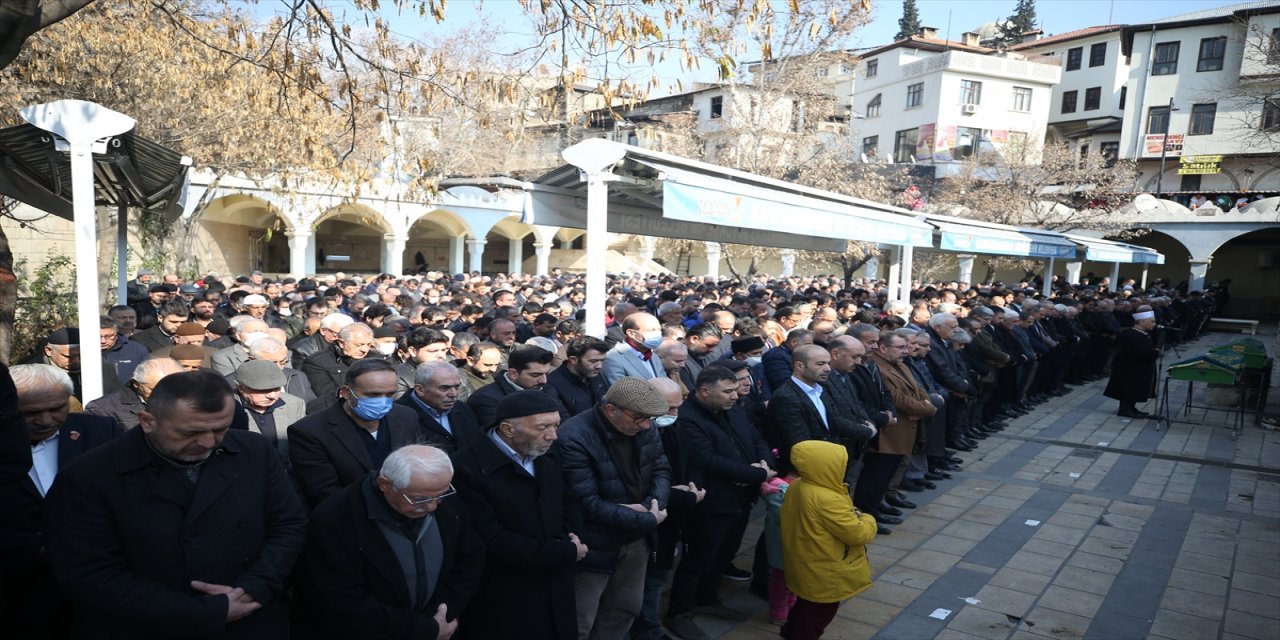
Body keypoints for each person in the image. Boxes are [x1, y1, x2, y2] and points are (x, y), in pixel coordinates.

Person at [43, 370, 307, 638]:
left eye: (220, 429)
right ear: (147, 421)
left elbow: (288, 524)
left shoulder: (254, 451)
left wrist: (255, 587)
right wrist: (203, 611)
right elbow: (90, 573)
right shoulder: (90, 476)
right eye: (190, 432)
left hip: (250, 619)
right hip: (147, 627)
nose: (207, 442)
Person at [298, 445, 484, 639]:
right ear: (385, 484)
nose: (432, 506)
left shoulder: (442, 499)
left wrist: (444, 613)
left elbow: (469, 559)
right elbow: (341, 602)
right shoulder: (334, 520)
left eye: (440, 495)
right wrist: (424, 630)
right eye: (419, 499)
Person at [452, 391, 586, 640]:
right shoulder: (466, 467)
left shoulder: (545, 450)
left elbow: (567, 499)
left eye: (556, 425)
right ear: (508, 429)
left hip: (555, 577)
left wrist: (570, 535)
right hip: (505, 591)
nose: (553, 435)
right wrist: (563, 552)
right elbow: (490, 538)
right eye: (543, 427)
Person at [5, 364, 119, 635]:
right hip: (16, 589)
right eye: (30, 413)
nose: (45, 421)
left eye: (57, 408)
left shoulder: (101, 432)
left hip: (95, 585)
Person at [663, 365, 774, 640]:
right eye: (727, 391)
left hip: (740, 497)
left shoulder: (731, 409)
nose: (735, 396)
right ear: (704, 391)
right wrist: (756, 473)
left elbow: (755, 438)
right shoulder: (687, 418)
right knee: (698, 558)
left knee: (725, 553)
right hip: (710, 502)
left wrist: (764, 465)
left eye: (735, 389)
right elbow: (706, 459)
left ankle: (707, 598)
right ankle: (679, 611)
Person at [557, 377, 671, 640]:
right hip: (594, 542)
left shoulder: (646, 427)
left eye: (649, 420)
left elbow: (661, 467)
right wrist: (645, 518)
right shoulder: (574, 436)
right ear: (611, 410)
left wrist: (653, 505)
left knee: (626, 607)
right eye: (639, 418)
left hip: (636, 538)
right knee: (580, 620)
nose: (645, 425)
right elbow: (585, 501)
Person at [289, 359, 424, 509]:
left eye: (390, 394)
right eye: (373, 395)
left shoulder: (406, 416)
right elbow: (323, 492)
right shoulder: (310, 431)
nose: (383, 401)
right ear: (346, 392)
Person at [779, 440, 878, 640]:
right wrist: (867, 518)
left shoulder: (799, 485)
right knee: (818, 613)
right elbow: (858, 534)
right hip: (825, 567)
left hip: (805, 560)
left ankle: (789, 632)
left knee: (806, 604)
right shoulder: (828, 498)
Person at [230, 360, 307, 468]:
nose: (272, 396)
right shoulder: (226, 409)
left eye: (277, 389)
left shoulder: (294, 404)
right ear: (241, 388)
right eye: (263, 390)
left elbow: (303, 446)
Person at [396, 361, 482, 454]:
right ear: (420, 389)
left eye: (456, 387)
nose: (454, 394)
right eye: (445, 388)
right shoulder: (397, 416)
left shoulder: (461, 408)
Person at [467, 344, 555, 427]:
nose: (544, 380)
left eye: (546, 374)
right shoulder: (485, 399)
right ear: (513, 373)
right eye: (535, 375)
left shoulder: (548, 389)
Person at [85, 357, 183, 430]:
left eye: (172, 388)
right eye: (154, 389)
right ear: (136, 384)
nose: (164, 395)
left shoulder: (190, 400)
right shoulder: (102, 409)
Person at [1104, 310, 1160, 418]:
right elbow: (1141, 351)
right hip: (1130, 368)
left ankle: (1132, 408)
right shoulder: (1132, 335)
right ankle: (1125, 409)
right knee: (1129, 388)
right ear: (1141, 322)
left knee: (1135, 388)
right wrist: (1155, 352)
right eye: (1151, 322)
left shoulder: (1142, 334)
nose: (1154, 324)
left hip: (1137, 367)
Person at [301, 322, 376, 401]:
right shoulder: (316, 362)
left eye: (368, 345)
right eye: (359, 345)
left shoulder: (374, 357)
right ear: (341, 343)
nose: (365, 350)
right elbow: (326, 394)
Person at [544, 336, 609, 420]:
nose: (599, 366)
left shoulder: (594, 375)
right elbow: (565, 423)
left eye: (602, 360)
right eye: (593, 361)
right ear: (574, 360)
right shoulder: (552, 385)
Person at [602, 312, 666, 384]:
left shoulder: (653, 356)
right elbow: (620, 392)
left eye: (659, 329)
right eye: (652, 330)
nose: (657, 334)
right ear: (631, 333)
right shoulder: (613, 358)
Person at [100, 315, 151, 383]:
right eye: (98, 336)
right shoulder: (82, 352)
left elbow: (147, 376)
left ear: (116, 332)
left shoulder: (136, 350)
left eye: (109, 336)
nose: (103, 341)